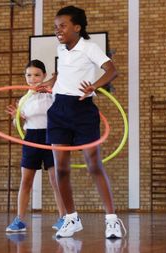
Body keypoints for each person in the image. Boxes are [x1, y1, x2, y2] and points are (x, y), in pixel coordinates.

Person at [37, 5, 125, 239]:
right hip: (58, 112)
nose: (58, 30)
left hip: (83, 110)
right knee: (61, 170)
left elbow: (112, 70)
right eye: (56, 27)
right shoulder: (61, 49)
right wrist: (51, 82)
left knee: (93, 165)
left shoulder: (89, 48)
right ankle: (71, 218)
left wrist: (94, 86)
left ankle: (112, 220)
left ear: (77, 27)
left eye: (63, 26)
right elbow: (62, 73)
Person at [5, 60, 66, 232]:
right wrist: (16, 117)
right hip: (31, 138)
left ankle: (63, 218)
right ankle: (19, 220)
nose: (33, 79)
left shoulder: (54, 94)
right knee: (26, 181)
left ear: (44, 76)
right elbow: (18, 124)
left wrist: (53, 83)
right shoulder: (24, 99)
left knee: (56, 181)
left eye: (37, 75)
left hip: (51, 137)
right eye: (29, 75)